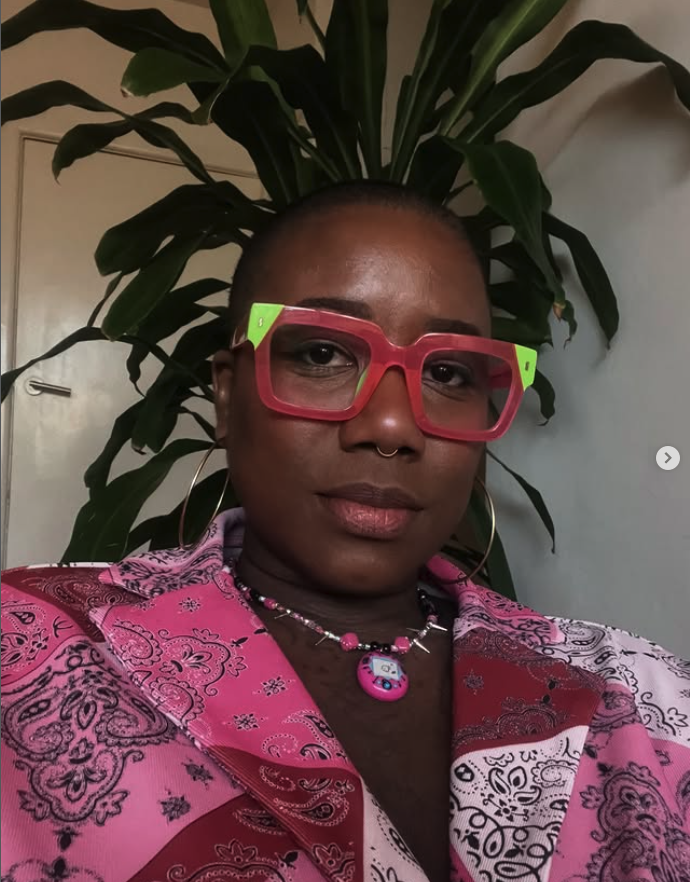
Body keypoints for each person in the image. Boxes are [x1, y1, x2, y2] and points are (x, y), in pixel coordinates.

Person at [1, 181, 688, 882]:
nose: (391, 426)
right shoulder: (29, 647)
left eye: (447, 372)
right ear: (227, 396)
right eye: (323, 356)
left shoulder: (637, 695)